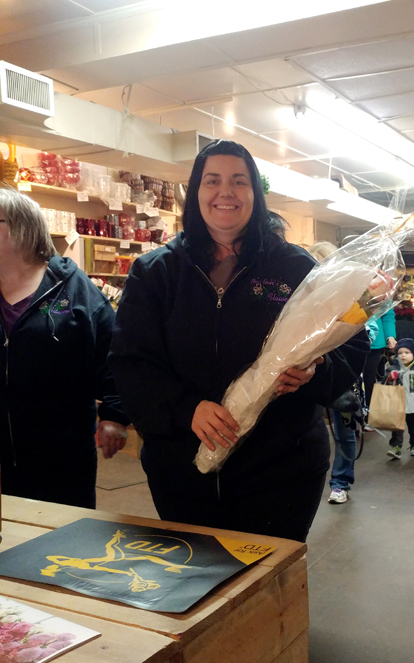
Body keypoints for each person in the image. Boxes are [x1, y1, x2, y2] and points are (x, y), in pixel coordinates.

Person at [109, 140, 369, 541]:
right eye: (212, 180)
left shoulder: (297, 267)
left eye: (239, 181)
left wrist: (315, 372)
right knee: (194, 572)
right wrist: (186, 409)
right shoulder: (156, 273)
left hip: (281, 473)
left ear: (255, 194)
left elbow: (351, 345)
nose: (225, 192)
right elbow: (131, 361)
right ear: (196, 192)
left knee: (268, 577)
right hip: (183, 471)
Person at [0, 188, 128, 508]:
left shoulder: (71, 287)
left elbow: (113, 351)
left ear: (21, 228)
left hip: (61, 456)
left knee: (63, 532)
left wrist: (114, 414)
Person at [307, 242, 360, 506]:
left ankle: (341, 482)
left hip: (340, 375)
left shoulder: (349, 300)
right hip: (307, 376)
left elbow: (359, 340)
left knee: (344, 432)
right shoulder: (303, 298)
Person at [385, 338, 414, 459]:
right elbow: (384, 382)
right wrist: (389, 377)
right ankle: (395, 447)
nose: (403, 355)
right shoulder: (393, 369)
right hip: (397, 405)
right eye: (400, 353)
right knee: (396, 428)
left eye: (407, 352)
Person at [363, 307, 397, 408]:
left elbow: (387, 313)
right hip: (347, 339)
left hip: (374, 342)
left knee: (370, 381)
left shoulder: (382, 297)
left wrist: (390, 335)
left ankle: (370, 411)